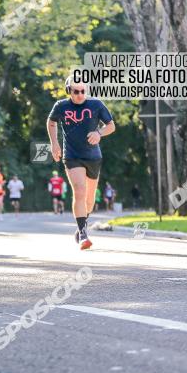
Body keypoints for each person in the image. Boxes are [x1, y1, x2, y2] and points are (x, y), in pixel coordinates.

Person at [47, 78, 116, 249]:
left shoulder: (96, 104)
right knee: (79, 190)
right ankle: (83, 234)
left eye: (83, 91)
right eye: (76, 91)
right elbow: (51, 122)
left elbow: (111, 126)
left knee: (90, 200)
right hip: (72, 155)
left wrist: (99, 133)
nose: (80, 95)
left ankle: (82, 224)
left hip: (93, 156)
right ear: (69, 90)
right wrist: (54, 143)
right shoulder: (61, 106)